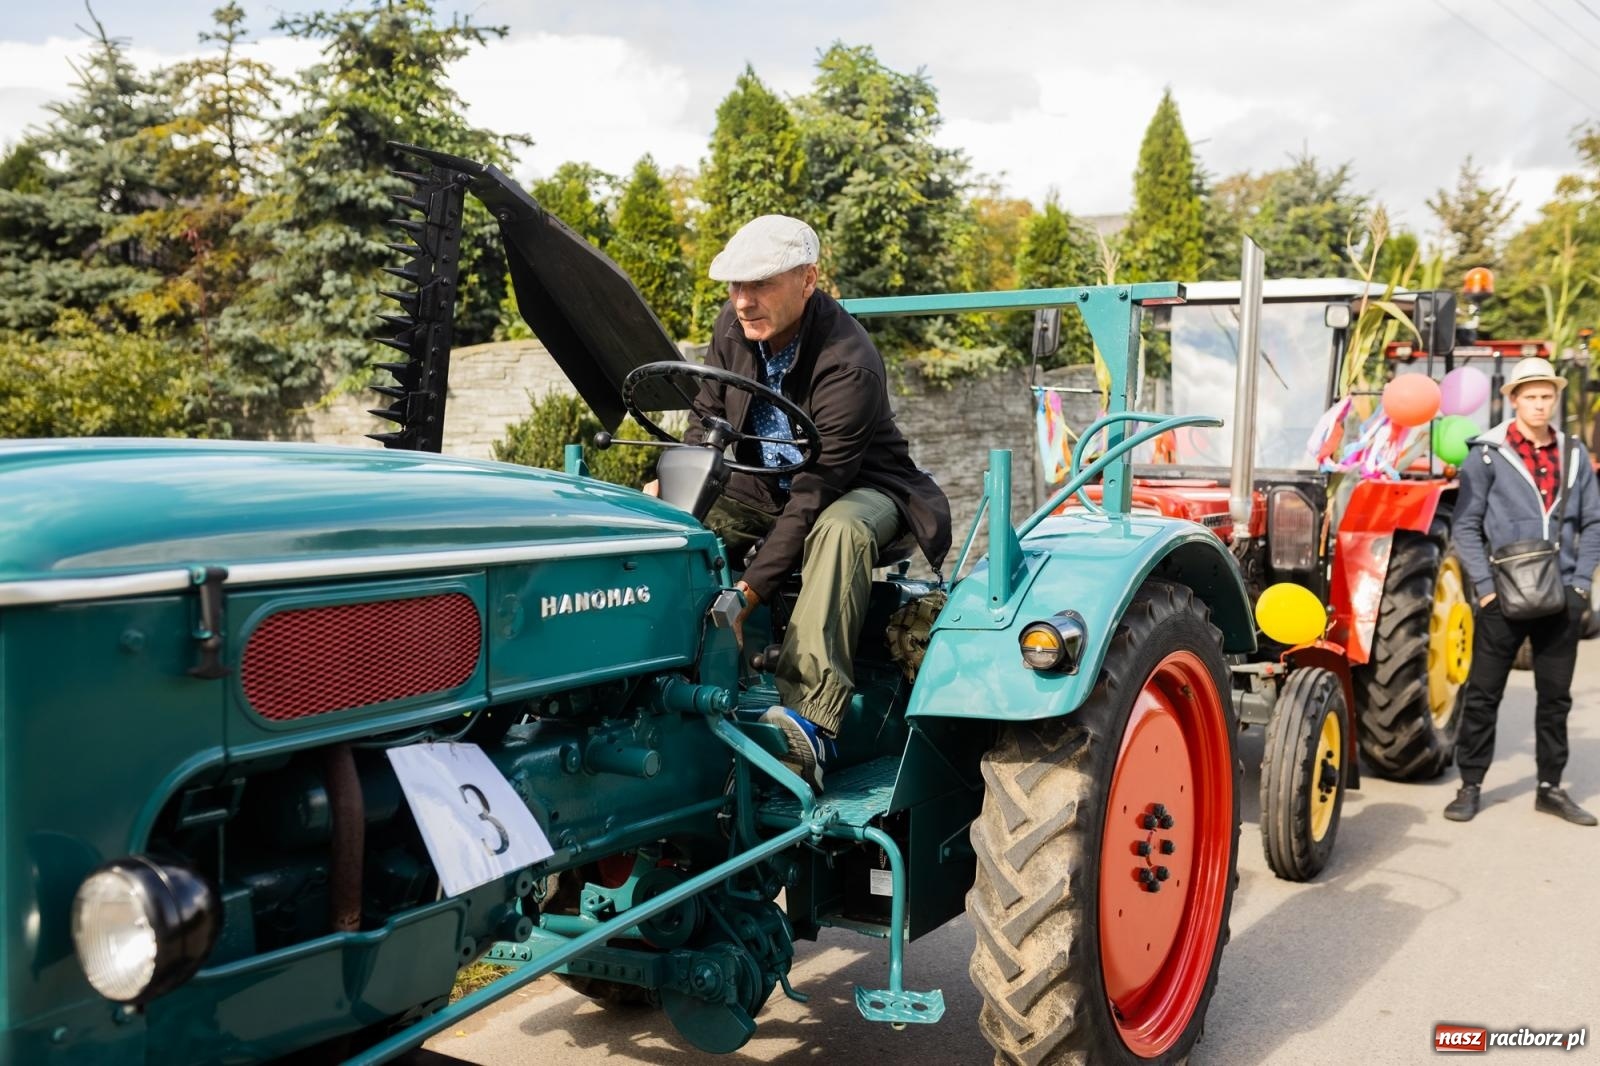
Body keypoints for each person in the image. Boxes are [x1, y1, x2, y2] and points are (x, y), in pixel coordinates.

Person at [654, 215, 951, 791]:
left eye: (761, 284)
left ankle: (809, 724)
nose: (743, 300)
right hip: (765, 484)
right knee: (676, 521)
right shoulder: (733, 327)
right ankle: (666, 683)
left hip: (863, 488)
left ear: (808, 280)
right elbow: (705, 419)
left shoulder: (848, 360)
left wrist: (745, 595)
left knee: (839, 531)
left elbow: (815, 494)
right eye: (736, 285)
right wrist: (675, 489)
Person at [1447, 356, 1600, 825]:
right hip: (1503, 595)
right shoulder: (1486, 454)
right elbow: (1465, 526)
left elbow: (1593, 522)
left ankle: (1550, 789)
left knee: (1555, 700)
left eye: (1546, 396)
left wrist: (1580, 586)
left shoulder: (1574, 454)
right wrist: (1486, 588)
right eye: (1530, 396)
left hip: (1561, 596)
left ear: (1555, 399)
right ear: (1513, 399)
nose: (1539, 404)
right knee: (1483, 695)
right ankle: (1470, 786)